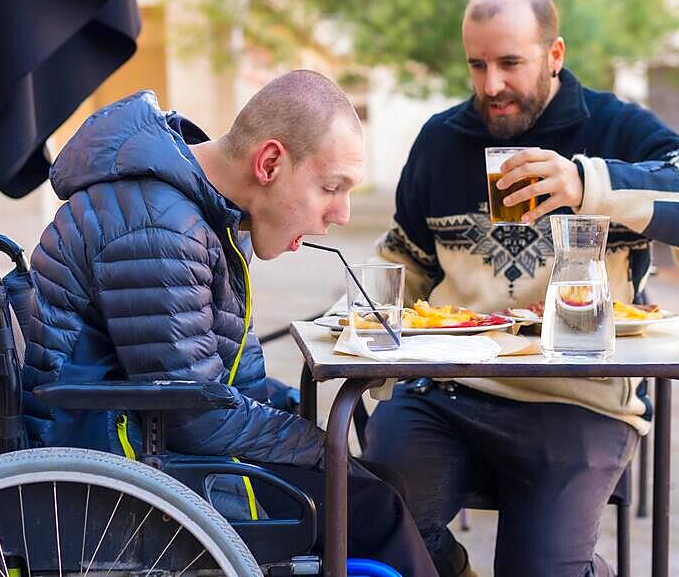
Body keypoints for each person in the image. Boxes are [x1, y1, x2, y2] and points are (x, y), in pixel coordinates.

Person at [364, 0, 679, 577]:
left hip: (580, 399)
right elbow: (407, 262)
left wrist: (588, 185)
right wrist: (361, 327)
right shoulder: (442, 140)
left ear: (555, 55)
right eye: (477, 64)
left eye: (510, 63)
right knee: (371, 520)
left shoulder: (614, 128)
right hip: (449, 393)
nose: (491, 85)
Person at [22, 70, 438, 576]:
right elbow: (193, 415)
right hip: (124, 470)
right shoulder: (159, 226)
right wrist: (318, 443)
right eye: (332, 188)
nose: (344, 214)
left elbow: (213, 378)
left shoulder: (197, 211)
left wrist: (295, 419)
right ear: (269, 162)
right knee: (375, 506)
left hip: (148, 439)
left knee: (379, 486)